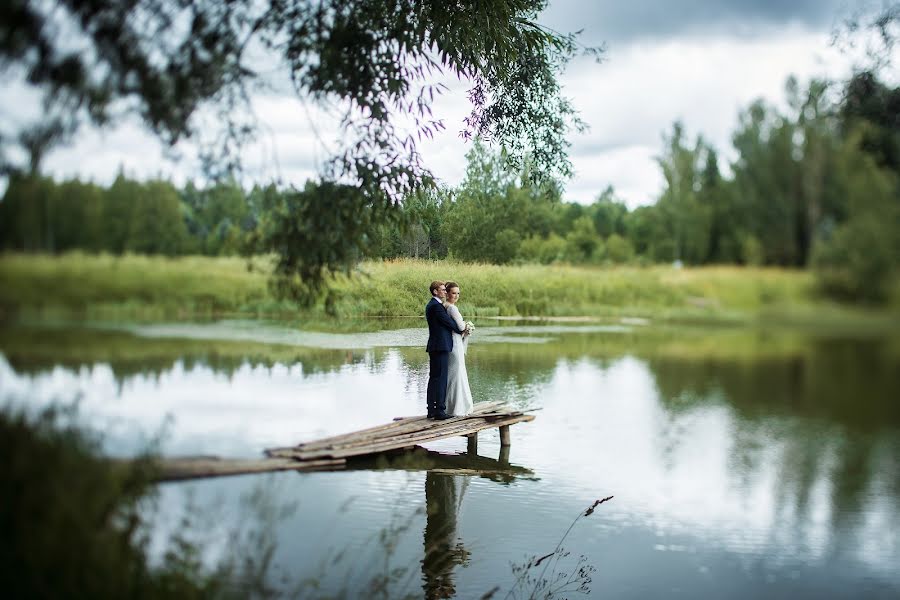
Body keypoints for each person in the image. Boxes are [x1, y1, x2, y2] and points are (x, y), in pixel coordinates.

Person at [425, 280, 466, 419]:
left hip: (435, 346)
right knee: (440, 379)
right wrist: (462, 329)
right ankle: (440, 411)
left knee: (434, 378)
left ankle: (431, 409)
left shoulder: (434, 305)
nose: (444, 291)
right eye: (442, 290)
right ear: (435, 291)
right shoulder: (436, 307)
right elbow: (449, 323)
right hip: (440, 346)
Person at [443, 282, 473, 416]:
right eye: (454, 293)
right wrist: (468, 326)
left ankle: (449, 406)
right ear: (447, 293)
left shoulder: (444, 306)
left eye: (458, 293)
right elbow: (460, 327)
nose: (456, 296)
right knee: (457, 373)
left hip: (451, 342)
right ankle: (458, 408)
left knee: (453, 374)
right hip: (455, 343)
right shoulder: (452, 309)